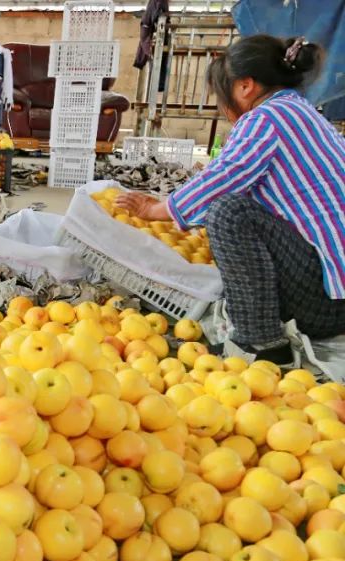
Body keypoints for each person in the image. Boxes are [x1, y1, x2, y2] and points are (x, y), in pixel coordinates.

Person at [116, 35, 345, 366]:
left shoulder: (266, 118)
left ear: (245, 86)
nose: (223, 108)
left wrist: (158, 209)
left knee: (228, 211)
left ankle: (262, 342)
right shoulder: (302, 111)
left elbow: (223, 179)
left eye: (222, 94)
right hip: (333, 293)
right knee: (234, 209)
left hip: (324, 302)